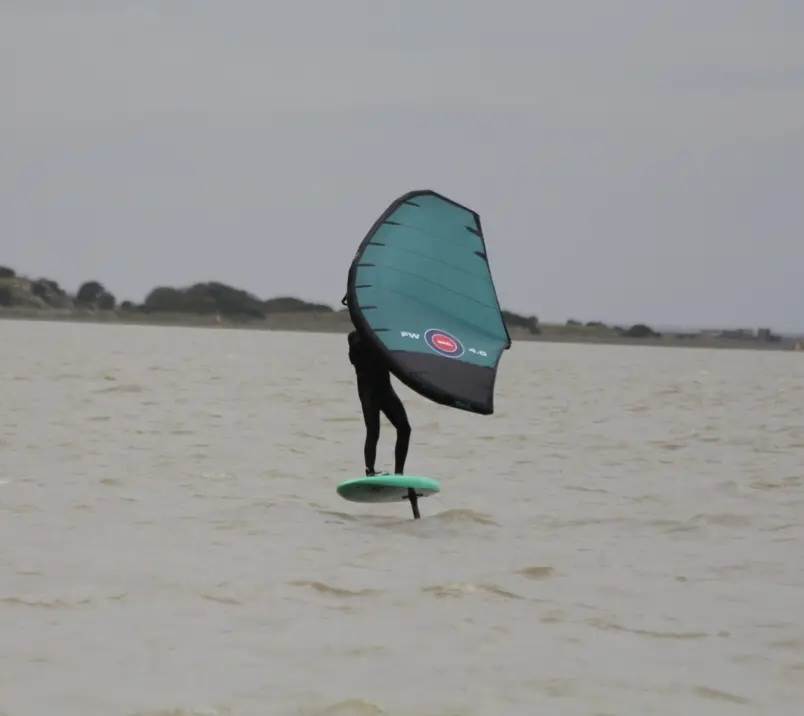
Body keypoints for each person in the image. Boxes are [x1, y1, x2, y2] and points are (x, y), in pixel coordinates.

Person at [347, 328, 411, 476]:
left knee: (404, 428)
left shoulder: (381, 334)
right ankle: (370, 471)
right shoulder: (354, 338)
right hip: (368, 393)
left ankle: (399, 473)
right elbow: (355, 355)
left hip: (385, 391)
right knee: (373, 431)